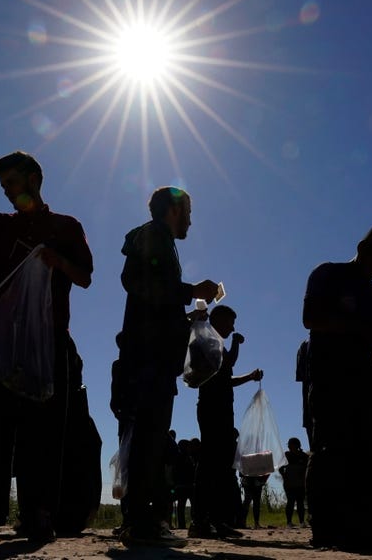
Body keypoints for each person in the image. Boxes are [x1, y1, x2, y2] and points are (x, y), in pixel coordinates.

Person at [0, 151, 94, 543]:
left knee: (45, 430)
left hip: (50, 340)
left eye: (12, 183)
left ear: (33, 179)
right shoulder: (1, 224)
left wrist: (57, 261)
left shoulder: (66, 226)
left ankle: (38, 514)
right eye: (3, 186)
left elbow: (84, 276)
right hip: (3, 339)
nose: (7, 192)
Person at [112, 186, 220, 548]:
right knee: (148, 438)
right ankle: (142, 522)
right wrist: (191, 291)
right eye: (188, 212)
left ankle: (142, 520)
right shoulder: (153, 235)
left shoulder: (159, 241)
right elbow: (139, 283)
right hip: (149, 358)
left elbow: (155, 300)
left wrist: (186, 317)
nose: (190, 221)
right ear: (174, 210)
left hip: (151, 356)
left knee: (150, 438)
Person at [302, 224, 372, 550]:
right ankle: (324, 529)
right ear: (362, 248)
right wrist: (362, 330)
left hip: (365, 380)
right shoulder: (327, 274)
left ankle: (361, 526)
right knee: (328, 448)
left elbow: (370, 338)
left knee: (367, 450)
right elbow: (311, 319)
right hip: (329, 376)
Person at [189, 304, 261, 539]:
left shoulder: (215, 343)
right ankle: (200, 520)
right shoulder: (207, 342)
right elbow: (227, 363)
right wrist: (237, 344)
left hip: (222, 408)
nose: (232, 328)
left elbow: (226, 378)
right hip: (211, 409)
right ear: (218, 321)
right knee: (210, 463)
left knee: (221, 465)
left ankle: (218, 520)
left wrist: (249, 377)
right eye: (230, 323)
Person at [279, 437, 308, 527]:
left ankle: (302, 522)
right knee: (290, 502)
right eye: (289, 444)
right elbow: (280, 468)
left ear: (296, 445)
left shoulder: (304, 456)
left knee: (300, 502)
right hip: (289, 483)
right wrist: (284, 476)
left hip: (301, 483)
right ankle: (289, 522)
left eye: (290, 444)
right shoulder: (286, 455)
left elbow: (307, 469)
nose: (289, 446)